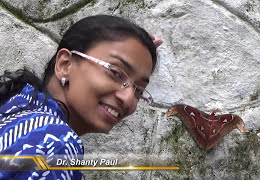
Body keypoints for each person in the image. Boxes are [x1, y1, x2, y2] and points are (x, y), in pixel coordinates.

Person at [0, 15, 162, 179]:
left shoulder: (16, 113)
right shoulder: (56, 143)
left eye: (139, 90)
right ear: (65, 65)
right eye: (115, 73)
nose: (128, 99)